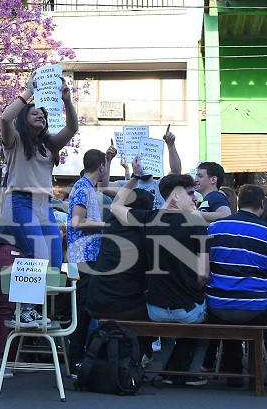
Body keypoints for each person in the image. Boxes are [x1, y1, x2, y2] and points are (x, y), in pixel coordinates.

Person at [0, 71, 78, 377]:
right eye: (34, 112)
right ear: (25, 118)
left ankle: (29, 306)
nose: (40, 114)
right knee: (39, 254)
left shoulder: (48, 146)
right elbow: (4, 119)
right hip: (20, 203)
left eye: (44, 113)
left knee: (54, 262)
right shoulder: (14, 142)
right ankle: (26, 309)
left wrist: (67, 100)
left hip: (45, 207)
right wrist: (27, 93)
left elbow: (73, 127)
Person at [110, 167, 209, 384]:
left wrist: (134, 178)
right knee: (210, 317)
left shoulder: (147, 219)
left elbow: (116, 205)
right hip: (187, 312)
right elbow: (203, 275)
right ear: (175, 196)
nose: (195, 198)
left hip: (153, 310)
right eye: (190, 193)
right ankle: (191, 372)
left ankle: (168, 367)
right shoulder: (197, 223)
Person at [205, 184, 267, 393]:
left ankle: (233, 369)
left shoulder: (213, 227)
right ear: (261, 205)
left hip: (215, 306)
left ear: (238, 203)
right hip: (257, 309)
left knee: (234, 305)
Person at [86, 186, 157, 361]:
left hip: (95, 300)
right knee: (159, 312)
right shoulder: (145, 232)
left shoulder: (111, 223)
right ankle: (140, 356)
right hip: (124, 306)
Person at [65, 147, 110, 370]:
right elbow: (77, 222)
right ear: (100, 167)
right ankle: (75, 360)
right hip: (83, 256)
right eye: (105, 166)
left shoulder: (86, 186)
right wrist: (106, 225)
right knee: (83, 309)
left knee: (85, 308)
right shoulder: (83, 188)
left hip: (86, 255)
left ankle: (78, 357)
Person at [109, 129, 181, 209]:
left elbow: (176, 172)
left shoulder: (160, 184)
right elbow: (102, 186)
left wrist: (171, 146)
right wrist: (108, 161)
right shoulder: (127, 185)